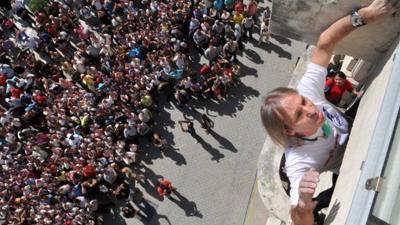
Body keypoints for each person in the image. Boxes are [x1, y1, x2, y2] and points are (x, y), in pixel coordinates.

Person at [259, 1, 398, 225]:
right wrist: (304, 205)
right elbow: (297, 217)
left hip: (354, 124)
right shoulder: (298, 161)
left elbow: (324, 44)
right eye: (298, 115)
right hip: (350, 164)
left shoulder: (307, 91)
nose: (311, 109)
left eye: (304, 102)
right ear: (289, 130)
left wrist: (364, 16)